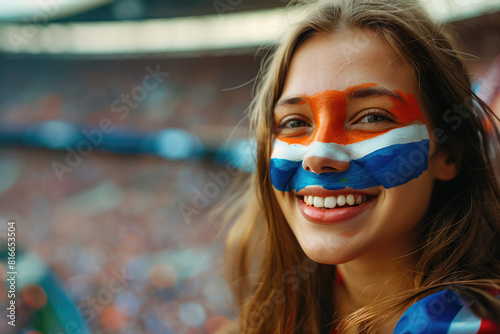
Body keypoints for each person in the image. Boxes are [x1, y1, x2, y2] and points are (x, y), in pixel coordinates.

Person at [220, 0, 500, 333]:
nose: (317, 154)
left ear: (448, 155)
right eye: (295, 122)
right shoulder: (285, 312)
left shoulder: (459, 324)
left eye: (372, 117)